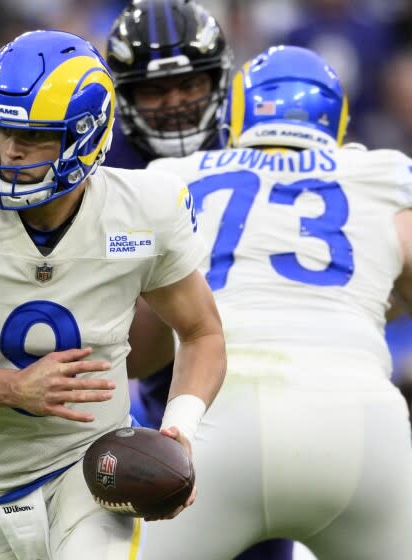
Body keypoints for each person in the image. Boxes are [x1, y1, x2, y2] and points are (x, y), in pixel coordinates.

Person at [0, 29, 226, 559]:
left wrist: (178, 431)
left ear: (86, 135)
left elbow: (202, 332)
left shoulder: (145, 208)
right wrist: (10, 387)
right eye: (0, 132)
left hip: (89, 467)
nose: (10, 150)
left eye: (33, 137)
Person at [141, 45, 412, 560]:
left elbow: (143, 347)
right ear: (338, 121)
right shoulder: (383, 173)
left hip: (219, 424)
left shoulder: (175, 175)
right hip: (359, 424)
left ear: (237, 115)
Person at [105, 4, 293, 557]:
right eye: (155, 92)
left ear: (217, 79)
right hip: (164, 393)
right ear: (125, 98)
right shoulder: (103, 166)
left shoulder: (262, 142)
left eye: (187, 84)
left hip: (273, 373)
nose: (174, 104)